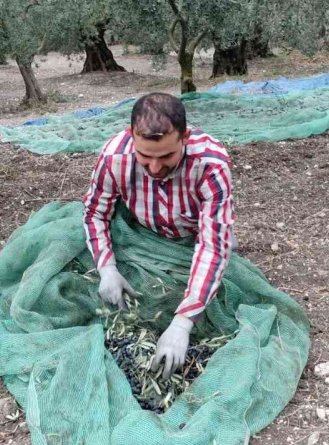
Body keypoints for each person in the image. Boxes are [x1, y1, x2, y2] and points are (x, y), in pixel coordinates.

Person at [82, 92, 236, 377]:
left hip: (191, 237)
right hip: (138, 230)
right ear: (131, 136)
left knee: (213, 277)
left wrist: (182, 324)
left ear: (185, 137)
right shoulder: (114, 156)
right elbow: (95, 214)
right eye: (144, 156)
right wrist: (106, 268)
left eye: (166, 156)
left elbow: (212, 248)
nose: (154, 168)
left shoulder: (210, 164)